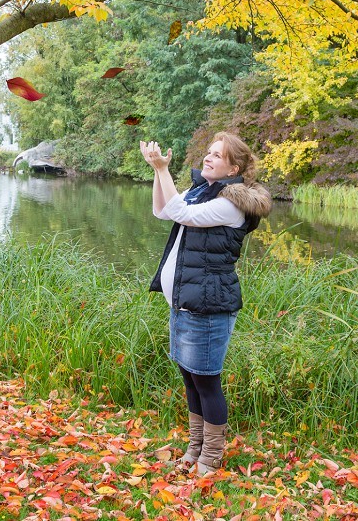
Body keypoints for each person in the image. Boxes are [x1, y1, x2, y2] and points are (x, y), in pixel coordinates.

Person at [141, 132, 272, 475]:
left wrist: (162, 169)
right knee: (190, 378)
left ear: (234, 168)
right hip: (186, 303)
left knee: (207, 382)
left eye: (218, 155)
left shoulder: (231, 204)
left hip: (210, 306)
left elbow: (179, 212)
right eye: (209, 152)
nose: (209, 158)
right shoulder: (201, 191)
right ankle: (195, 447)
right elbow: (162, 210)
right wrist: (159, 172)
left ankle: (210, 457)